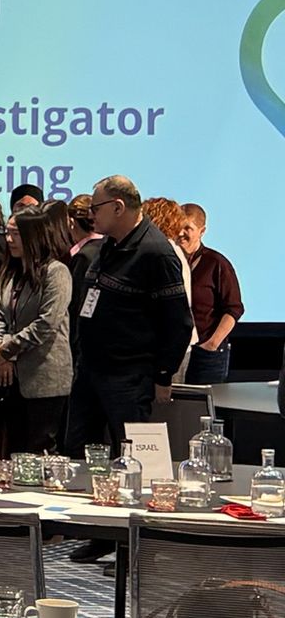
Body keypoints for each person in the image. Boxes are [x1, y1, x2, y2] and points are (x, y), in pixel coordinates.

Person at [63, 175, 192, 454]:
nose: (91, 215)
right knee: (77, 452)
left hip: (128, 377)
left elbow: (179, 322)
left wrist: (163, 375)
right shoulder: (109, 244)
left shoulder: (155, 252)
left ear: (118, 207)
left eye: (95, 208)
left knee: (131, 456)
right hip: (90, 370)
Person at [0, 207, 73, 456]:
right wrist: (2, 353)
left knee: (41, 449)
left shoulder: (56, 272)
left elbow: (47, 324)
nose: (8, 239)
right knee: (14, 449)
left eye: (15, 234)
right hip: (12, 378)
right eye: (7, 233)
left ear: (34, 235)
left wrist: (7, 349)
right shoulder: (11, 272)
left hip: (45, 377)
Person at [176, 203, 242, 384]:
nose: (180, 233)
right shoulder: (168, 261)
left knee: (201, 401)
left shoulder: (216, 263)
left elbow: (234, 309)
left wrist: (212, 344)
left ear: (202, 231)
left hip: (206, 355)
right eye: (178, 226)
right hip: (175, 352)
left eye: (188, 228)